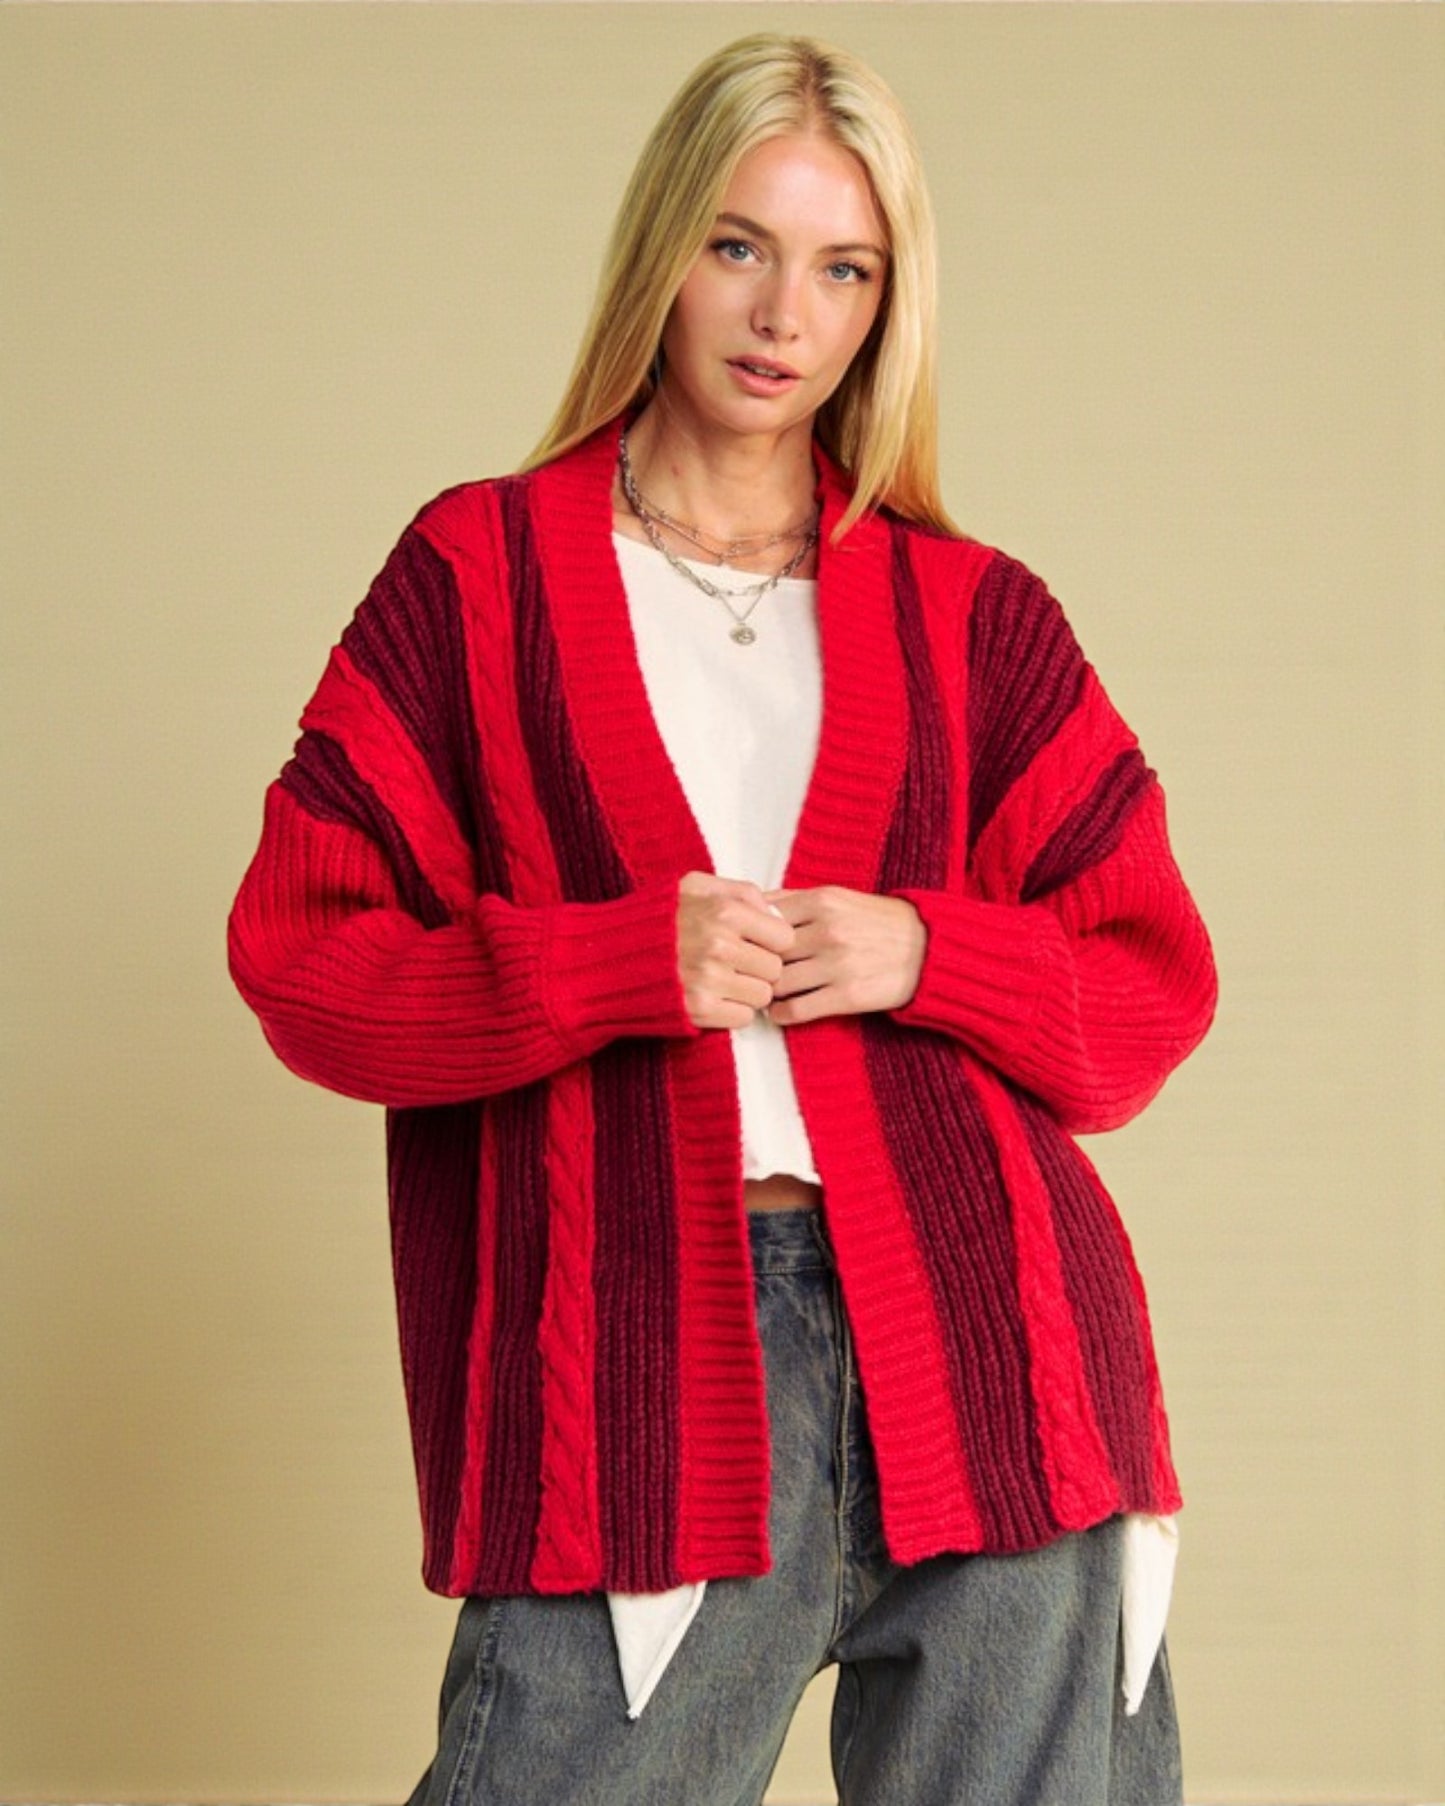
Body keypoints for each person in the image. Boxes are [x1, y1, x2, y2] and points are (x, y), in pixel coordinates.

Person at [228, 32, 1216, 1806]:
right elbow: (304, 958)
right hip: (642, 1359)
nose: (783, 313)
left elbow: (1148, 978)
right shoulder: (481, 577)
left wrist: (933, 950)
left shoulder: (971, 615)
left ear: (883, 305)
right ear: (662, 251)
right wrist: (612, 961)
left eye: (844, 268)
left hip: (997, 1340)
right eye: (739, 246)